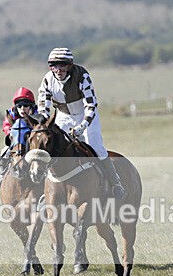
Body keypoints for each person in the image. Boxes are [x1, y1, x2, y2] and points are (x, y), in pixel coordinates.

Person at [37, 47, 125, 199]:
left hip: (85, 116)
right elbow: (43, 107)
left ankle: (115, 183)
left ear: (70, 65)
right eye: (54, 65)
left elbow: (91, 105)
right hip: (62, 116)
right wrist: (43, 124)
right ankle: (46, 190)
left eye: (62, 65)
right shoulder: (47, 79)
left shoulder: (82, 75)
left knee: (96, 146)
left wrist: (82, 126)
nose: (58, 70)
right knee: (51, 148)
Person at [0, 86, 37, 192]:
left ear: (31, 106)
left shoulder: (37, 114)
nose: (22, 109)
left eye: (25, 105)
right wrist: (10, 133)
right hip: (16, 142)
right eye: (19, 106)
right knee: (4, 152)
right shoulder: (11, 114)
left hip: (32, 143)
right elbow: (6, 125)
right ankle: (2, 176)